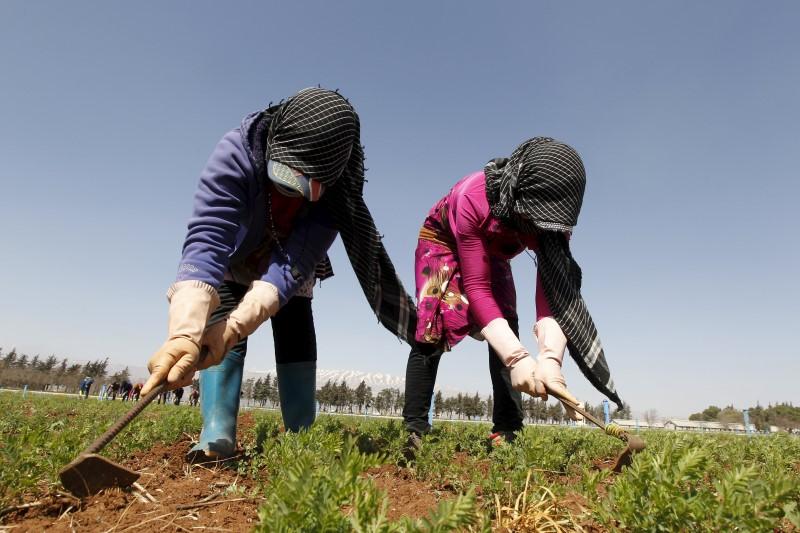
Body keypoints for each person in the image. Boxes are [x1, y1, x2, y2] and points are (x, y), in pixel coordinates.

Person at [141, 88, 416, 461]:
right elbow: (207, 239)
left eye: (307, 185)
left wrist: (240, 325)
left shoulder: (337, 194)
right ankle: (217, 434)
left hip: (286, 257)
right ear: (273, 143)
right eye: (285, 173)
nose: (293, 187)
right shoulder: (236, 152)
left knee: (294, 325)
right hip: (236, 251)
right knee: (219, 320)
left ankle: (300, 434)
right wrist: (185, 333)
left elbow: (293, 263)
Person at [402, 137, 623, 450]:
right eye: (534, 220)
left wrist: (550, 360)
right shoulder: (473, 198)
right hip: (445, 242)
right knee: (432, 327)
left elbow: (552, 294)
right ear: (519, 197)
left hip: (494, 252)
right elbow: (477, 288)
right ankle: (415, 428)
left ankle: (508, 429)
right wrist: (517, 357)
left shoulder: (554, 222)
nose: (540, 230)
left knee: (506, 325)